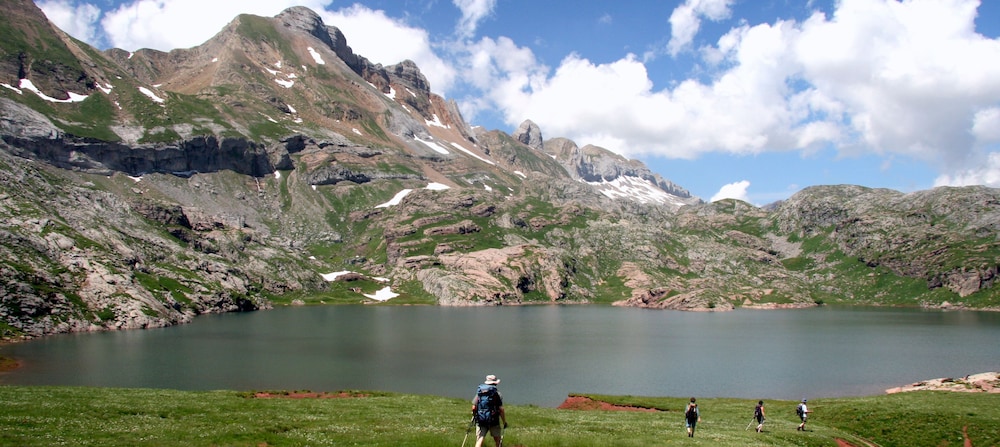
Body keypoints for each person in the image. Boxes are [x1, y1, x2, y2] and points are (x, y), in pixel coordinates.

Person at [471, 374, 507, 447]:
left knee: (480, 439)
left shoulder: (480, 393)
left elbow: (473, 407)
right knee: (498, 440)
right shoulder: (497, 393)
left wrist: (475, 416)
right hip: (494, 420)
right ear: (495, 383)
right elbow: (501, 409)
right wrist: (504, 422)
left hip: (481, 419)